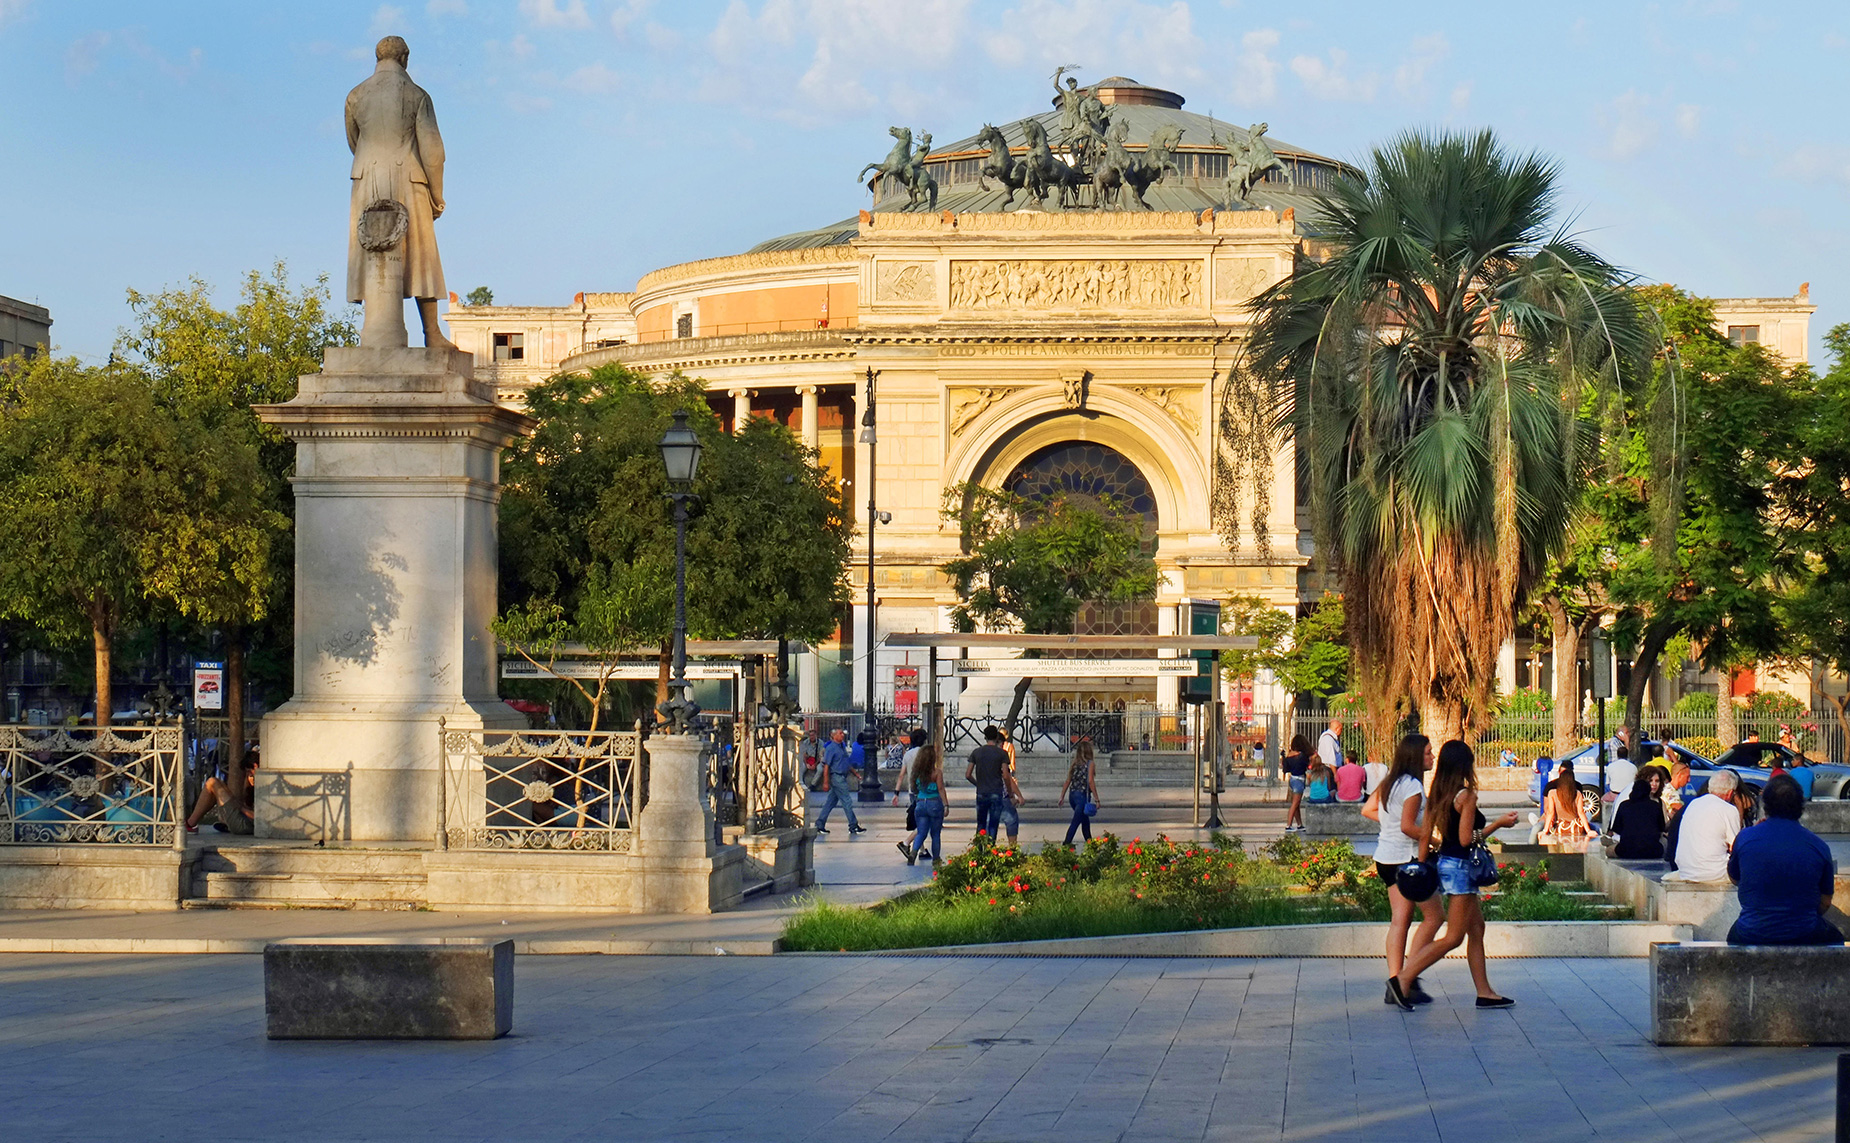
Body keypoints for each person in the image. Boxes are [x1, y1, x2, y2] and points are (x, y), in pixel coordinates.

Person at [1390, 740, 1520, 1011]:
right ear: (1465, 765)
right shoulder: (1466, 796)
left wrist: (1423, 864)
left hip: (1446, 866)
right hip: (1462, 868)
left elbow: (1426, 833)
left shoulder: (1437, 792)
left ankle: (1485, 992)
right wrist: (1497, 824)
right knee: (1454, 937)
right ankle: (1403, 978)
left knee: (1476, 928)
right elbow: (1465, 840)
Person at [344, 36, 454, 349]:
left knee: (371, 254)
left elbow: (354, 140)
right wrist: (437, 193)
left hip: (366, 179)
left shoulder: (355, 95)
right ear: (405, 58)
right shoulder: (417, 94)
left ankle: (375, 333)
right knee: (423, 258)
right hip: (410, 176)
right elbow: (433, 150)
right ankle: (431, 333)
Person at [1363, 733, 1441, 1005]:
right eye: (1429, 753)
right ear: (1416, 757)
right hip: (1404, 860)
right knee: (1434, 917)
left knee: (1400, 920)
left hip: (1385, 856)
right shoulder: (1413, 788)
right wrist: (1433, 840)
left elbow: (1368, 809)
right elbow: (1409, 826)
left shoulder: (1391, 782)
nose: (1432, 757)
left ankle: (1396, 981)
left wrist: (1389, 824)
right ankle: (1408, 975)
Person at [1727, 774, 1844, 946]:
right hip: (1805, 933)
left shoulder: (1745, 838)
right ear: (1801, 806)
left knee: (1733, 935)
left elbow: (1734, 877)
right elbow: (1825, 902)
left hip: (1752, 932)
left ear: (1765, 805)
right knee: (1837, 940)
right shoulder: (1818, 846)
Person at [1664, 769, 1740, 881]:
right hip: (1715, 872)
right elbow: (1735, 847)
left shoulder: (1693, 804)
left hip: (1685, 870)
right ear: (1730, 793)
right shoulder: (1729, 809)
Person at [184, 751, 259, 834]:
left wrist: (241, 808)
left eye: (250, 772)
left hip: (247, 825)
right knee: (218, 785)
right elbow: (246, 802)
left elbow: (260, 818)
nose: (249, 776)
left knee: (212, 782)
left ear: (256, 766)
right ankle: (194, 823)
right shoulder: (252, 785)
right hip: (244, 819)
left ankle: (190, 824)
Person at [814, 728, 865, 836]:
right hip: (836, 777)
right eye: (840, 733)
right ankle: (853, 825)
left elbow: (846, 762)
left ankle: (820, 823)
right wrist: (825, 782)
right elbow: (827, 765)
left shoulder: (842, 747)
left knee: (830, 802)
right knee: (847, 801)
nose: (842, 735)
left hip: (842, 775)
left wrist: (855, 773)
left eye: (843, 733)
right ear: (833, 736)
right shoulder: (831, 748)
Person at [965, 726, 1011, 838]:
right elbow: (1005, 775)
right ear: (996, 737)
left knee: (981, 824)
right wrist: (1010, 792)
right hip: (996, 791)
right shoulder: (1002, 753)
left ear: (985, 737)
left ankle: (980, 849)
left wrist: (978, 783)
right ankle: (991, 848)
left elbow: (968, 774)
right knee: (993, 824)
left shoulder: (976, 752)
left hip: (981, 792)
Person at [1609, 774, 1666, 859]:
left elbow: (1617, 829)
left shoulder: (1624, 805)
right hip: (1653, 851)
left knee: (1609, 850)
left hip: (1627, 850)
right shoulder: (1655, 806)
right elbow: (1661, 828)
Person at [907, 745, 946, 867]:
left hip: (920, 803)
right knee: (935, 834)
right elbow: (940, 788)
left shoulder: (916, 773)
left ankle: (913, 852)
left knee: (921, 832)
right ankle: (936, 859)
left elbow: (914, 789)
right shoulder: (936, 773)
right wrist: (946, 804)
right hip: (934, 803)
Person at [895, 728, 926, 862]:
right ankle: (906, 843)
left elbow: (902, 774)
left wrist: (896, 792)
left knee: (919, 819)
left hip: (911, 790)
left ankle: (922, 850)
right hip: (924, 790)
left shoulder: (908, 754)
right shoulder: (925, 753)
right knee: (925, 822)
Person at [1059, 741, 1098, 846]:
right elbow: (1090, 781)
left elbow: (1068, 781)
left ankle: (1091, 844)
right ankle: (1066, 844)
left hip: (1072, 796)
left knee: (1085, 821)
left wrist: (1062, 796)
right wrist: (1097, 799)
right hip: (1082, 796)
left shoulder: (1075, 764)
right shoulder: (1090, 764)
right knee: (1076, 822)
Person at [1538, 761, 1589, 842]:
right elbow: (1581, 812)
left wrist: (1545, 830)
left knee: (1537, 827)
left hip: (1560, 826)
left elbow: (1550, 812)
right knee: (1589, 817)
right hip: (1575, 827)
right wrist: (1588, 831)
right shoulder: (1577, 792)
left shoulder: (1552, 792)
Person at [1281, 734, 1312, 832]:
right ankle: (1288, 825)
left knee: (1296, 803)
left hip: (1292, 779)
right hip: (1299, 780)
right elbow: (1308, 765)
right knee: (1295, 803)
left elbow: (1286, 769)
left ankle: (1299, 824)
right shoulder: (1302, 756)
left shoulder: (1289, 756)